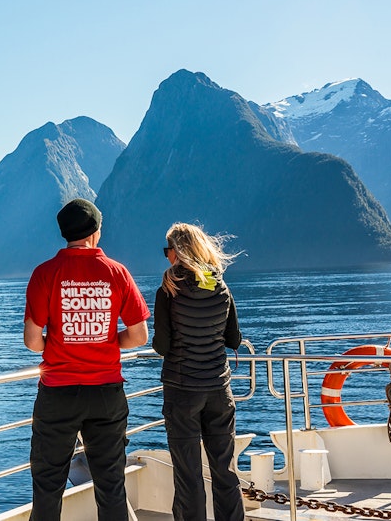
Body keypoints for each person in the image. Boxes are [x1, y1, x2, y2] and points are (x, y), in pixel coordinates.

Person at [24, 198, 151, 521]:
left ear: (65, 233)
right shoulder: (116, 272)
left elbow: (32, 341)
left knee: (48, 486)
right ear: (95, 232)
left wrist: (58, 342)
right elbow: (139, 336)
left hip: (57, 393)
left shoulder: (44, 274)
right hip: (106, 392)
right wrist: (106, 340)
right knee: (111, 486)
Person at [152, 222, 244, 521]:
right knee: (225, 471)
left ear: (177, 252)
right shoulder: (221, 286)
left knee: (188, 475)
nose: (167, 257)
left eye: (168, 251)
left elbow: (162, 346)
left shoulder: (168, 289)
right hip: (219, 389)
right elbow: (234, 339)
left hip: (182, 391)